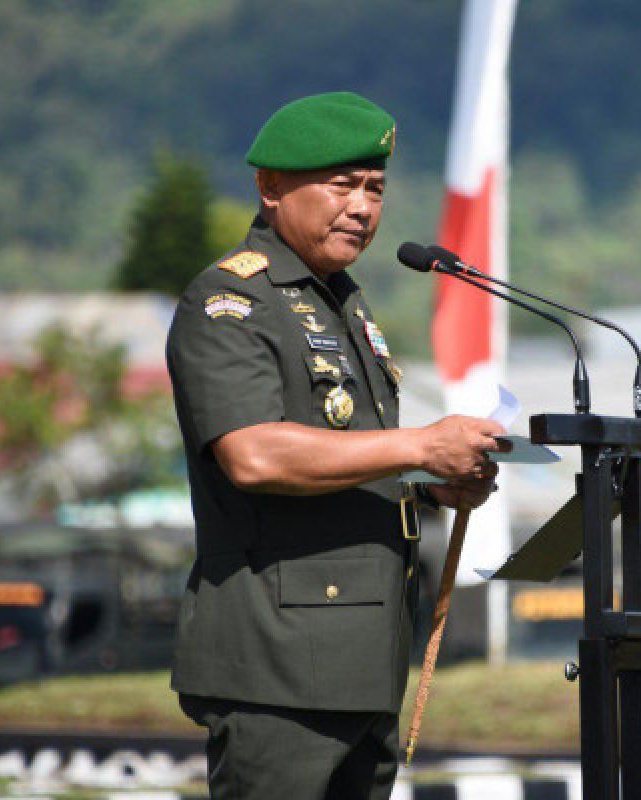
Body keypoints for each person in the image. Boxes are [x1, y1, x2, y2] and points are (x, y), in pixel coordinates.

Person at [165, 91, 505, 800]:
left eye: (375, 189)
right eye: (341, 185)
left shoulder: (343, 304)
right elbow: (254, 455)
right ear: (269, 187)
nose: (362, 207)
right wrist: (416, 445)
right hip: (279, 669)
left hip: (363, 664)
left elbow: (352, 461)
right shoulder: (230, 302)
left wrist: (432, 482)